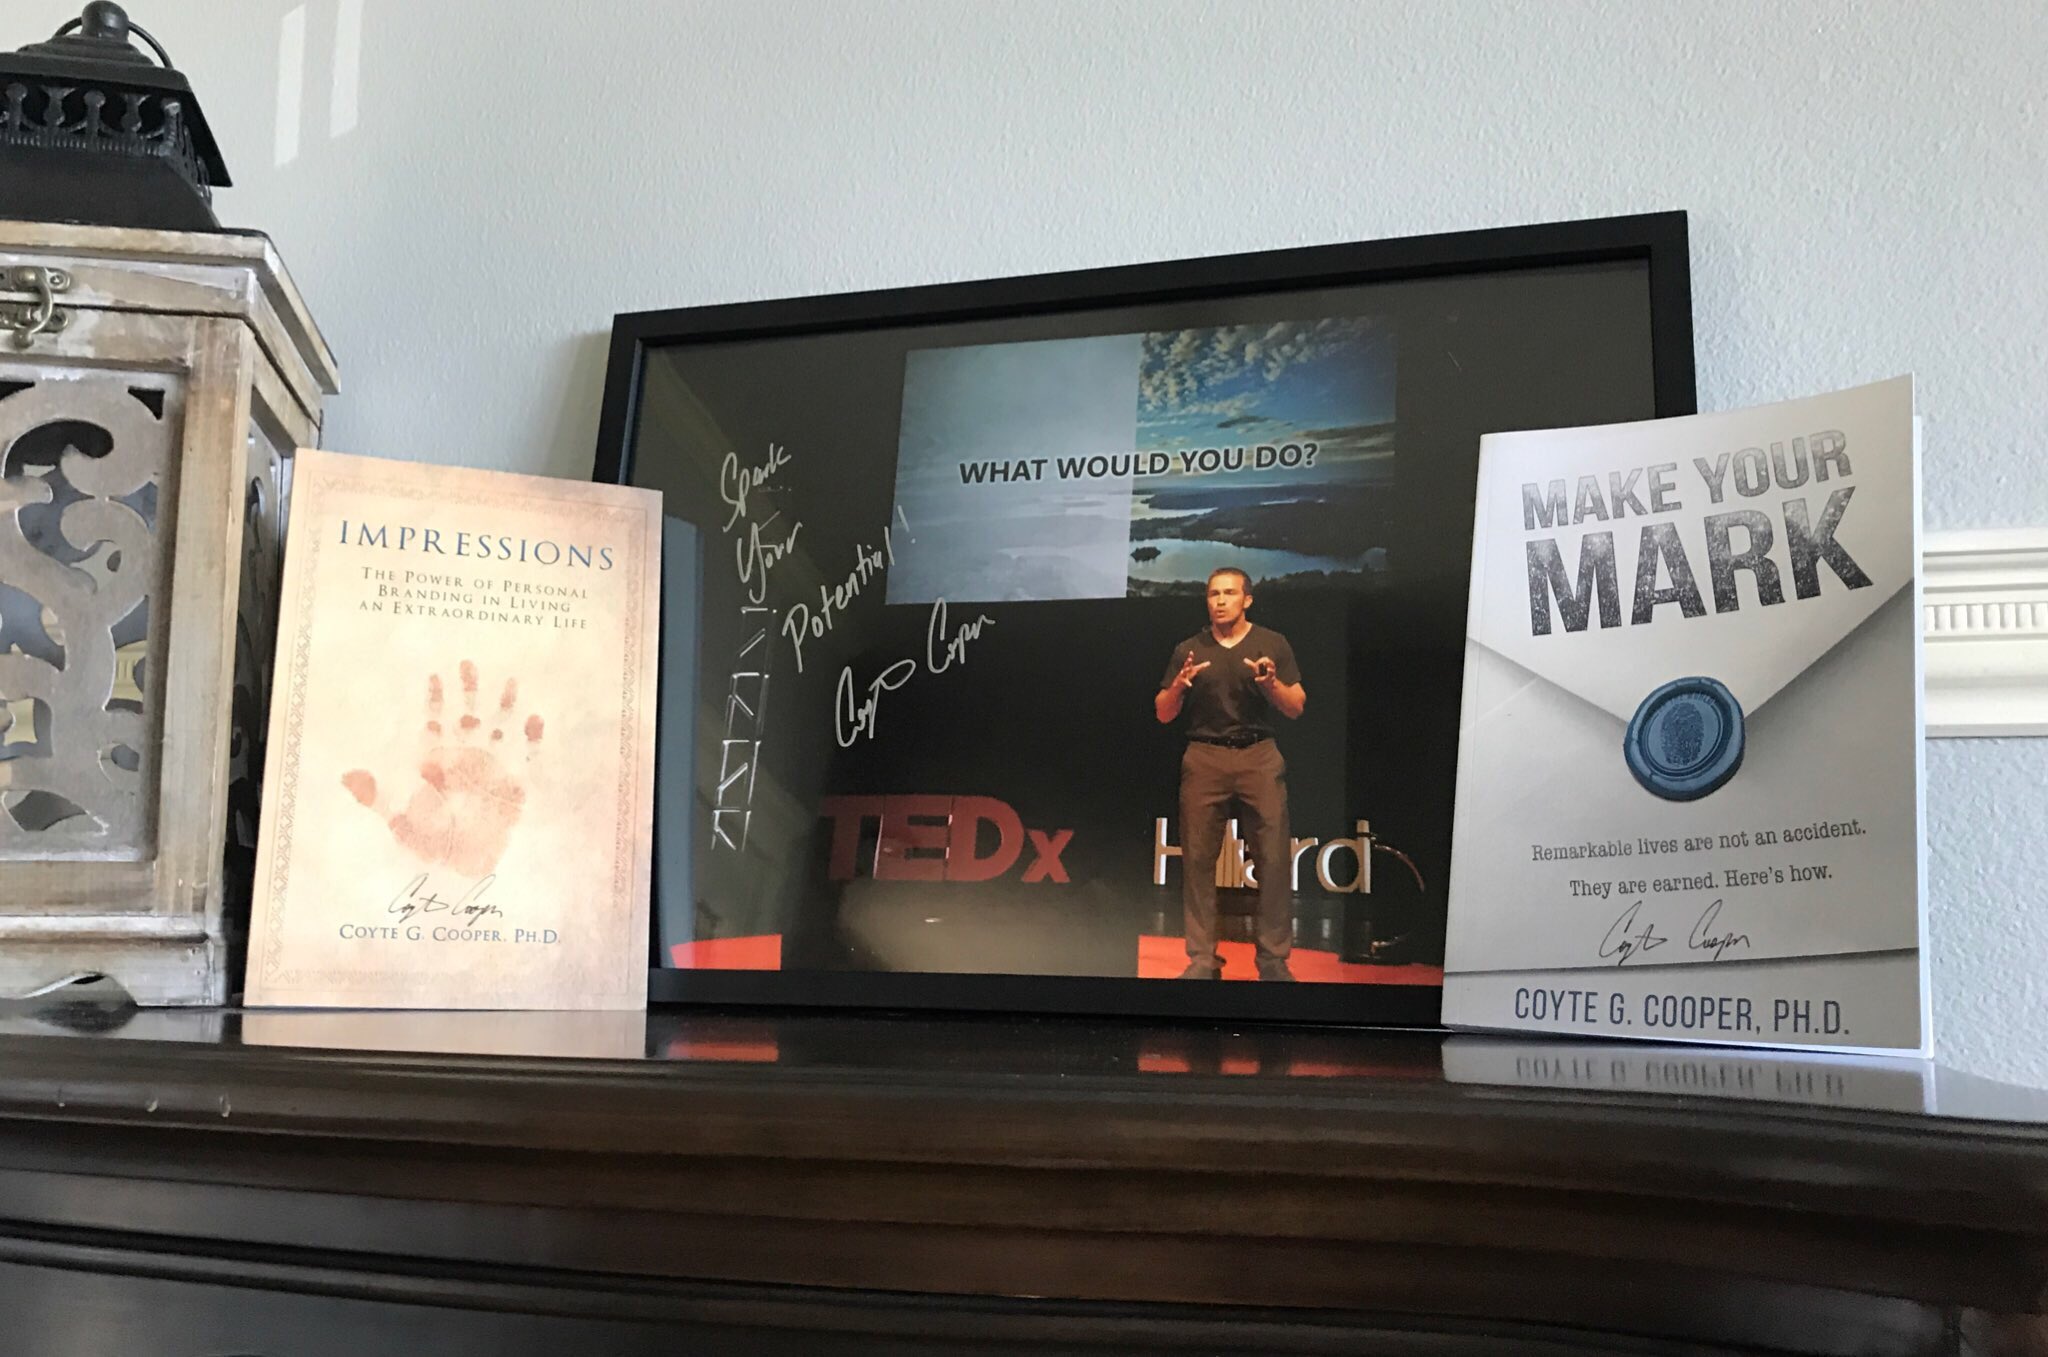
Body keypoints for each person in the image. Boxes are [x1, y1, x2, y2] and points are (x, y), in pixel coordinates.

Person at [1154, 567, 1306, 980]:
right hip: (1205, 757)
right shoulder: (1189, 648)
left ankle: (1273, 959)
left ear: (1247, 600)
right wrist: (1179, 685)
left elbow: (1296, 706)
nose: (1220, 601)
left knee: (1273, 858)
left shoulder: (1271, 643)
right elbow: (1163, 712)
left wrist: (1271, 684)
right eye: (1213, 594)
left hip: (1258, 755)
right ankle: (1202, 959)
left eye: (1229, 593)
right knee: (1198, 861)